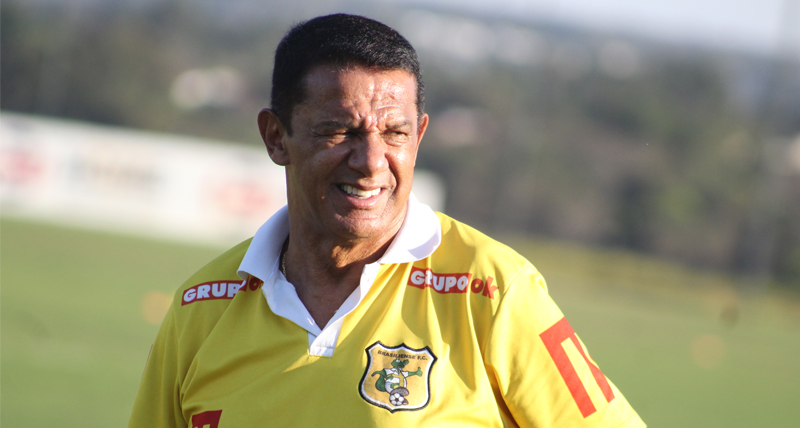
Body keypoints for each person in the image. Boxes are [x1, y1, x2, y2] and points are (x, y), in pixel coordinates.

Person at [128, 13, 645, 428]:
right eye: (341, 131)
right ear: (276, 137)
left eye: (395, 133)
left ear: (418, 137)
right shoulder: (202, 307)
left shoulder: (492, 291)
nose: (372, 161)